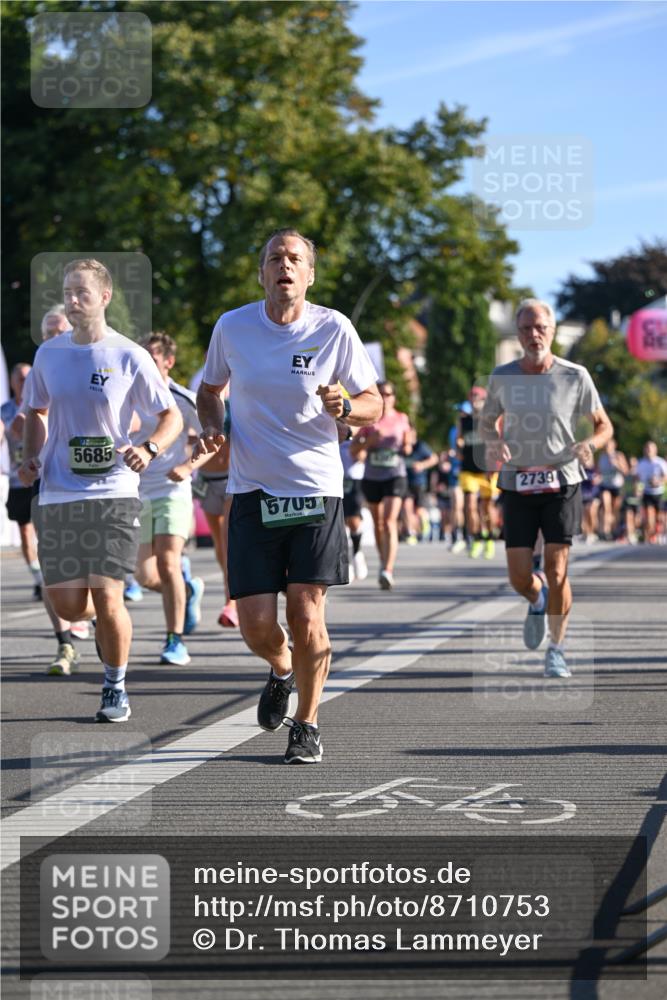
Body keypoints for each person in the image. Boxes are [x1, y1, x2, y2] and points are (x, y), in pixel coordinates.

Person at [194, 228, 381, 763]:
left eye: (295, 258)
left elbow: (375, 403)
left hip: (317, 490)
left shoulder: (334, 328)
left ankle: (308, 722)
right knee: (255, 624)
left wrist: (344, 406)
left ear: (309, 274)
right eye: (275, 257)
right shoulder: (233, 327)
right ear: (262, 273)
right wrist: (212, 426)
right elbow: (211, 391)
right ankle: (281, 670)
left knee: (306, 613)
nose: (285, 265)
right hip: (252, 489)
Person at [19, 259, 182, 718]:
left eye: (81, 293)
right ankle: (102, 625)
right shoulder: (49, 353)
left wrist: (148, 449)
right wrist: (30, 458)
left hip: (113, 491)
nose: (72, 301)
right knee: (70, 604)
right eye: (68, 292)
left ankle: (114, 685)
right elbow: (35, 409)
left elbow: (168, 416)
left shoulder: (130, 355)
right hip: (57, 492)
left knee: (108, 593)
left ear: (105, 297)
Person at [481, 298, 613, 679]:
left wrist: (592, 443)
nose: (534, 334)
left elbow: (603, 425)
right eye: (526, 328)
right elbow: (488, 423)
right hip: (517, 481)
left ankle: (556, 648)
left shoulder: (575, 375)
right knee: (520, 576)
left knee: (557, 570)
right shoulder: (502, 376)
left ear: (552, 331)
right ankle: (536, 600)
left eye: (541, 327)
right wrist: (492, 441)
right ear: (518, 334)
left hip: (562, 480)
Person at [133, 333, 207, 666]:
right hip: (137, 491)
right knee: (143, 576)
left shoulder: (182, 398)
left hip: (172, 490)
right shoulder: (129, 397)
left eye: (152, 356)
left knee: (168, 563)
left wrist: (188, 465)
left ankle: (175, 641)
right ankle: (186, 591)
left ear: (168, 361)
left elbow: (213, 441)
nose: (145, 363)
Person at [355, 380, 411, 589]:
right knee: (378, 523)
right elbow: (355, 451)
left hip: (395, 475)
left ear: (394, 397)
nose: (386, 398)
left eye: (389, 394)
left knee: (389, 521)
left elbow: (408, 447)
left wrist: (407, 445)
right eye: (382, 394)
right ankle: (383, 561)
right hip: (372, 476)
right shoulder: (370, 420)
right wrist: (370, 442)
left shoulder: (401, 418)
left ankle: (387, 569)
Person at [1, 363, 43, 598]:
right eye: (19, 379)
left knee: (42, 531)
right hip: (18, 480)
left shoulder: (40, 403)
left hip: (40, 476)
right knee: (25, 532)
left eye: (27, 378)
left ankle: (49, 576)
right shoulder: (5, 410)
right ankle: (38, 578)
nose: (23, 382)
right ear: (11, 382)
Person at [458, 387, 499, 559]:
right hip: (468, 468)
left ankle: (489, 538)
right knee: (470, 505)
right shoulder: (463, 420)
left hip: (487, 470)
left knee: (487, 507)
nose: (474, 400)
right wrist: (459, 444)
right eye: (472, 397)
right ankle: (476, 538)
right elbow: (459, 438)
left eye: (478, 397)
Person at [339, 424, 369, 581]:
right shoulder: (330, 425)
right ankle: (346, 562)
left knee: (354, 520)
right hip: (336, 480)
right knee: (340, 522)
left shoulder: (359, 431)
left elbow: (360, 455)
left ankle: (357, 552)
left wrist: (358, 440)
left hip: (355, 479)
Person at [636, 441, 667, 543]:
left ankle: (659, 534)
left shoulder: (661, 462)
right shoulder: (641, 463)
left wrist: (658, 482)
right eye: (647, 448)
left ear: (655, 450)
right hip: (647, 492)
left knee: (659, 517)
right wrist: (638, 488)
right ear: (645, 450)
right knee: (649, 515)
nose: (649, 451)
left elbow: (665, 477)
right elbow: (638, 478)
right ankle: (650, 536)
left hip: (659, 493)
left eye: (651, 449)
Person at [597, 438, 628, 540]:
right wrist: (597, 477)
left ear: (614, 445)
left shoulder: (619, 455)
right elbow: (598, 471)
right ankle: (606, 530)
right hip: (605, 485)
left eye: (609, 445)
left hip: (617, 485)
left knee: (615, 509)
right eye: (605, 445)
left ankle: (614, 529)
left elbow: (625, 471)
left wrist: (617, 464)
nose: (607, 447)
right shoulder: (602, 457)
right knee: (606, 507)